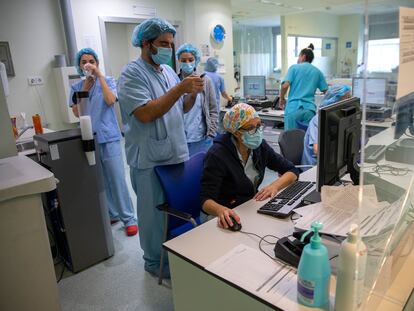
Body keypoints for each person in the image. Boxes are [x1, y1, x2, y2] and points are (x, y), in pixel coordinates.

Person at [117, 18, 204, 277]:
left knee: (174, 210)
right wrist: (180, 88)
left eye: (170, 44)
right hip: (149, 159)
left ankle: (174, 255)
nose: (169, 48)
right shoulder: (132, 73)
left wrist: (192, 94)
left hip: (174, 152)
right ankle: (154, 262)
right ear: (146, 43)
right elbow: (145, 114)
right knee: (153, 216)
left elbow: (179, 108)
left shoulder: (166, 71)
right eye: (163, 44)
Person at [69, 48, 138, 236]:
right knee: (100, 179)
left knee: (116, 178)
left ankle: (129, 218)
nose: (88, 64)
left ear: (97, 63)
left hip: (109, 137)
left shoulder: (108, 81)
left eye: (91, 61)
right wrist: (85, 88)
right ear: (79, 66)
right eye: (84, 62)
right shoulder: (76, 88)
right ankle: (112, 213)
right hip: (89, 137)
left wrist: (99, 77)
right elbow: (77, 112)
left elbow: (110, 100)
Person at [200, 103, 300, 229]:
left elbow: (292, 170)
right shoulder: (217, 155)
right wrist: (220, 210)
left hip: (248, 205)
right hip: (223, 214)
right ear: (236, 133)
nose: (258, 131)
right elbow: (205, 201)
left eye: (259, 125)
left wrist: (274, 186)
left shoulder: (259, 147)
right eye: (251, 128)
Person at [176, 43, 218, 155]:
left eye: (190, 59)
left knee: (202, 170)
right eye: (183, 60)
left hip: (202, 138)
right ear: (178, 61)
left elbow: (213, 109)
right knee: (183, 171)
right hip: (180, 139)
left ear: (196, 60)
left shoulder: (205, 81)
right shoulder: (174, 81)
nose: (187, 63)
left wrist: (211, 133)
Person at [280, 44, 328, 130]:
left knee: (290, 139)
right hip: (309, 110)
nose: (298, 59)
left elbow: (285, 86)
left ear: (303, 56)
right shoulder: (317, 72)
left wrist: (281, 98)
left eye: (299, 56)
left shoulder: (294, 68)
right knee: (306, 139)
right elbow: (326, 91)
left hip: (293, 109)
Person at [301, 84, 351, 166]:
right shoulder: (318, 120)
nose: (350, 101)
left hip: (332, 162)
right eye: (347, 98)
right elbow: (317, 151)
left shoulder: (340, 118)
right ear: (335, 100)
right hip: (315, 166)